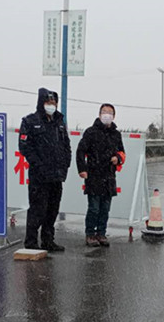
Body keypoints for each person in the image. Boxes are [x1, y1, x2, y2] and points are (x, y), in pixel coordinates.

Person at [18, 88, 72, 251]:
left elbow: (66, 145)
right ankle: (31, 242)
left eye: (54, 102)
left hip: (57, 175)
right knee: (37, 210)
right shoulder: (30, 121)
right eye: (48, 102)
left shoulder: (59, 122)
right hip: (39, 176)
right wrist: (40, 166)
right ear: (41, 103)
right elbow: (25, 147)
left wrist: (65, 164)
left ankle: (48, 241)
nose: (51, 105)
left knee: (52, 210)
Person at [76, 103, 126, 247]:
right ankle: (90, 234)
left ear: (114, 116)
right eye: (104, 112)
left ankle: (101, 233)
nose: (107, 115)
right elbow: (80, 151)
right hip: (94, 175)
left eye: (110, 112)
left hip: (109, 176)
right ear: (99, 114)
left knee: (105, 208)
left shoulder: (116, 134)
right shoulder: (91, 132)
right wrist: (82, 169)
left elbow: (122, 152)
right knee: (94, 208)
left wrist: (118, 158)